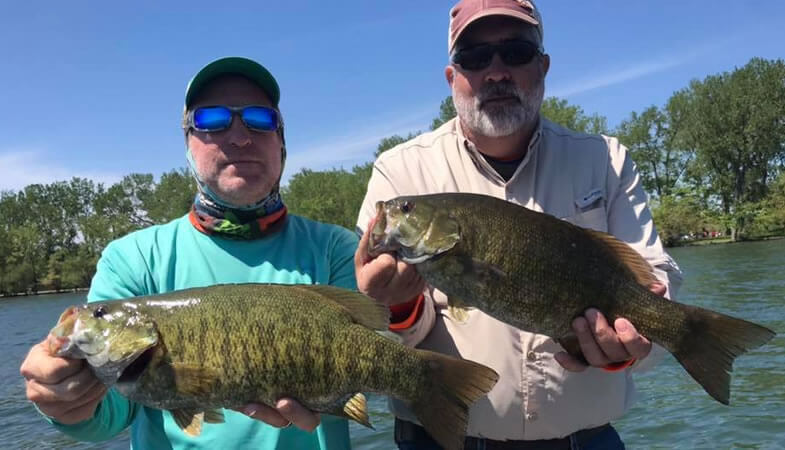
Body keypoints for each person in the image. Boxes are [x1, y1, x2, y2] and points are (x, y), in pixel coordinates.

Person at [354, 1, 683, 448]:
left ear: (543, 66)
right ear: (453, 78)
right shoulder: (399, 173)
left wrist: (630, 345)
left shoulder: (605, 160)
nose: (495, 72)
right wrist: (396, 306)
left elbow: (653, 287)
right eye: (474, 58)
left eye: (516, 52)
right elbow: (392, 340)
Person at [20, 57, 359, 450]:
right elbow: (110, 411)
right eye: (212, 120)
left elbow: (376, 357)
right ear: (187, 146)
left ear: (281, 142)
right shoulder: (133, 259)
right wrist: (65, 399)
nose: (239, 136)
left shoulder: (336, 248)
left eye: (259, 119)